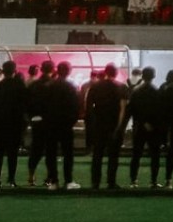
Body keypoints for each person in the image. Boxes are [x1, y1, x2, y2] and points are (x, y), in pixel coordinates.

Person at [85, 63, 129, 189]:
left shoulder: (95, 87)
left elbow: (88, 108)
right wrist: (119, 127)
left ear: (105, 72)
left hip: (98, 125)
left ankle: (95, 182)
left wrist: (92, 125)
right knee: (113, 157)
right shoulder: (121, 87)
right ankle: (111, 181)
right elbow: (123, 109)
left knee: (97, 155)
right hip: (114, 126)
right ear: (116, 73)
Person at [125, 66, 167, 189]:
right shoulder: (157, 91)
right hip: (153, 128)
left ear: (143, 76)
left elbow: (132, 110)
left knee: (136, 155)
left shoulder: (136, 91)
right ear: (153, 76)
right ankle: (153, 181)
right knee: (155, 155)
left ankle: (133, 181)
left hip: (139, 126)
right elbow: (160, 112)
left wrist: (142, 122)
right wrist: (152, 124)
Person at [0, 60, 29, 188]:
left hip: (0, 123)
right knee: (13, 153)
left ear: (3, 71)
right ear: (15, 70)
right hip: (15, 123)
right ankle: (11, 179)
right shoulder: (20, 85)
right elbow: (25, 105)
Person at [45, 61, 81, 190]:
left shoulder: (49, 86)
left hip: (50, 124)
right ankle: (68, 181)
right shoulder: (70, 87)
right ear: (68, 71)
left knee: (51, 154)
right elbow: (76, 107)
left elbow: (43, 106)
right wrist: (71, 121)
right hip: (66, 125)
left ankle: (53, 181)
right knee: (68, 154)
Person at [25, 60, 54, 187]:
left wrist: (30, 117)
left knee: (36, 149)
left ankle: (31, 176)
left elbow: (26, 103)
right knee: (50, 150)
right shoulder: (54, 85)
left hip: (36, 120)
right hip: (51, 121)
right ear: (52, 70)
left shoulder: (34, 85)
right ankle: (49, 177)